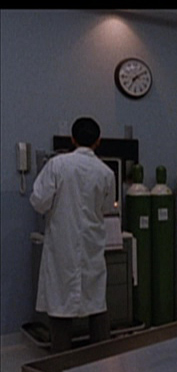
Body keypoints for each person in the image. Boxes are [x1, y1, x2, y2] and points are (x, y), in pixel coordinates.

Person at [30, 117, 116, 354]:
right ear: (98, 141)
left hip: (62, 245)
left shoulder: (57, 166)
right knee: (96, 302)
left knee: (61, 306)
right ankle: (101, 362)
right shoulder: (106, 172)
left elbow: (38, 201)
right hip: (91, 245)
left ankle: (60, 362)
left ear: (72, 139)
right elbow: (107, 207)